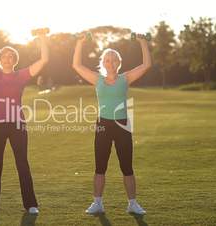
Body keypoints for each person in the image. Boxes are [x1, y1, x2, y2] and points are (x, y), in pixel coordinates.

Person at [0, 28, 49, 214]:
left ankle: (31, 204)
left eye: (11, 56)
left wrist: (43, 38)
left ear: (15, 60)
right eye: (4, 56)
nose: (7, 59)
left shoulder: (21, 75)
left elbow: (44, 60)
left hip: (17, 124)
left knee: (22, 163)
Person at [72, 33, 151, 215]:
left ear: (119, 62)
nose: (110, 62)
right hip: (103, 125)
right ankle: (97, 203)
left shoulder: (125, 78)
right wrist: (79, 43)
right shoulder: (97, 79)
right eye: (107, 60)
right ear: (103, 63)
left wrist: (142, 42)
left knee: (127, 167)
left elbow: (146, 65)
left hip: (122, 125)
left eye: (114, 59)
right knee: (100, 167)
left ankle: (132, 204)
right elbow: (76, 65)